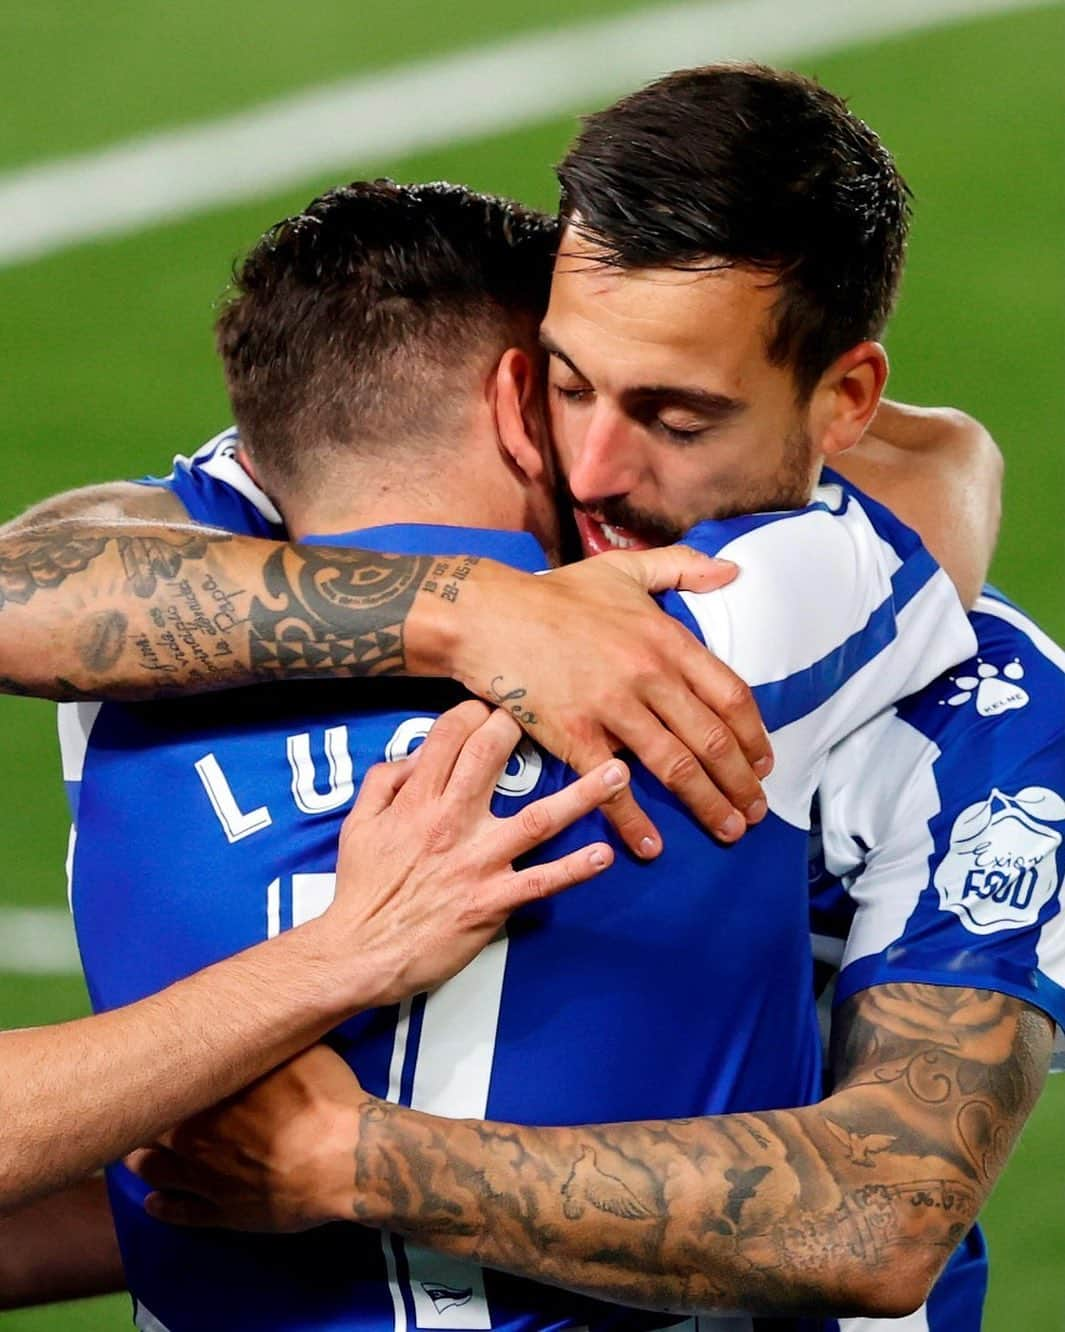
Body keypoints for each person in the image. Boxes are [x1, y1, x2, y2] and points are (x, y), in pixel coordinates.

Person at [0, 159, 975, 1332]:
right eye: (575, 392)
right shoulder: (741, 633)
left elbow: (33, 577)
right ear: (524, 403)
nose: (606, 458)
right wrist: (484, 606)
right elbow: (945, 471)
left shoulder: (112, 683)